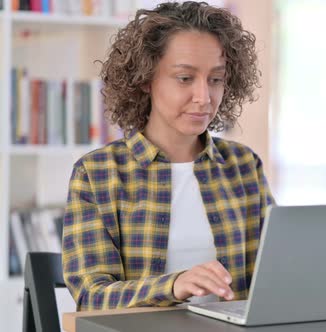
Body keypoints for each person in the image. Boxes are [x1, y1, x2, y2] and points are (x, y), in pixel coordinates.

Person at [62, 1, 274, 311]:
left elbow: (274, 275)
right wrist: (173, 286)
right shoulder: (97, 174)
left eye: (215, 79)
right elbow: (92, 295)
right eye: (185, 78)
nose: (204, 97)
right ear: (146, 79)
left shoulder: (243, 166)